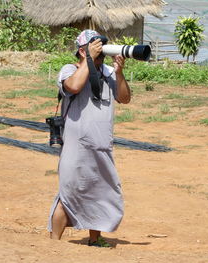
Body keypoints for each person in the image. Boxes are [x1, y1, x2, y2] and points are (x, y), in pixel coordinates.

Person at [47, 29, 131, 247]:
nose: (100, 54)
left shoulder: (108, 73)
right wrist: (89, 61)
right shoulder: (69, 69)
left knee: (100, 191)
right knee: (69, 192)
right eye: (95, 49)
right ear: (82, 51)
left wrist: (119, 72)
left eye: (101, 50)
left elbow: (125, 98)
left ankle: (95, 239)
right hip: (76, 145)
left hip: (102, 143)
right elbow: (73, 86)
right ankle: (52, 245)